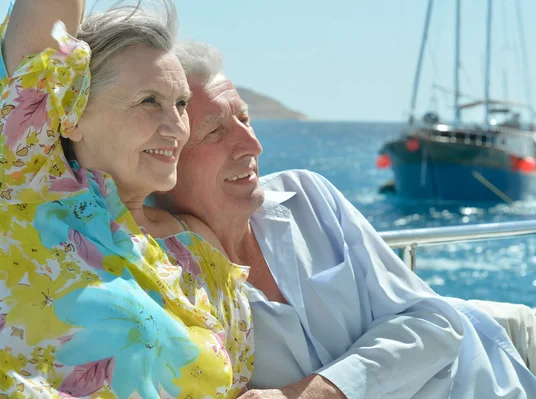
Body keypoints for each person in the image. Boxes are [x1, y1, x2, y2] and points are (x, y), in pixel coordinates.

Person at [155, 41, 536, 399]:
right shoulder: (163, 279)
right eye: (215, 132)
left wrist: (314, 391)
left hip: (488, 379)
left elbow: (435, 321)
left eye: (244, 119)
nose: (253, 145)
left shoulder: (307, 196)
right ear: (168, 156)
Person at [0, 4, 253, 398]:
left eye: (182, 104)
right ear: (72, 113)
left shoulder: (194, 247)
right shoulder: (26, 187)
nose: (175, 127)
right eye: (149, 101)